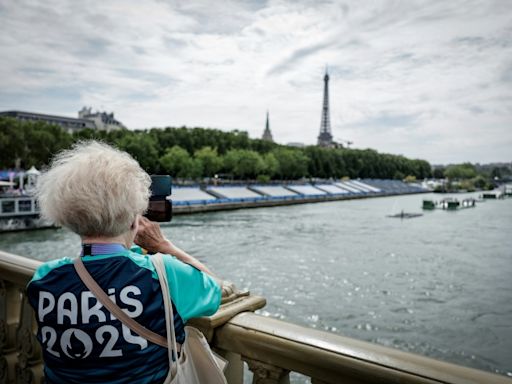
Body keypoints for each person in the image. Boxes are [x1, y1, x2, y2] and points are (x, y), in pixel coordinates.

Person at [26, 141, 222, 383]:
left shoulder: (44, 277)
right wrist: (163, 246)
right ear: (134, 218)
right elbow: (215, 289)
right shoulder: (163, 273)